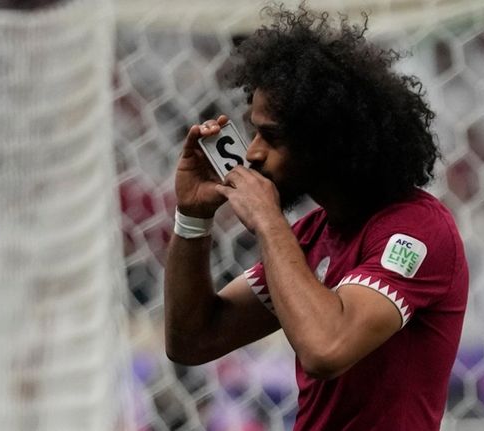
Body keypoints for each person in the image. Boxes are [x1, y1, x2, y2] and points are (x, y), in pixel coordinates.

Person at [164, 5, 468, 430]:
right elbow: (192, 339)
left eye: (271, 136)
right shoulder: (311, 236)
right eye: (254, 132)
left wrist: (269, 222)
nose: (251, 152)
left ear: (328, 142)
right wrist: (193, 219)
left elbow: (326, 349)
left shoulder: (418, 230)